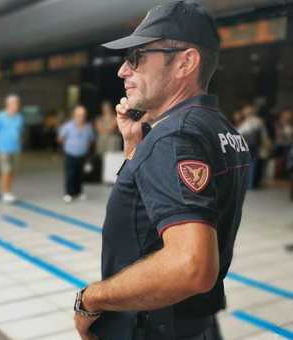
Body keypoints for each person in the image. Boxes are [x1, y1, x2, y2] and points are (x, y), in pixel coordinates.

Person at [72, 2, 250, 340]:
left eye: (137, 56)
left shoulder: (175, 137)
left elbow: (192, 266)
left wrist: (91, 299)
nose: (123, 71)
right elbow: (152, 216)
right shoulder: (218, 128)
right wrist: (134, 146)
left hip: (151, 325)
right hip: (192, 320)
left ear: (185, 62)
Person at [58, 105, 96, 203]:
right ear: (74, 115)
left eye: (82, 115)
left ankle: (78, 192)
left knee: (80, 174)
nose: (81, 117)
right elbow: (60, 139)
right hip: (70, 154)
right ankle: (68, 193)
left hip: (82, 154)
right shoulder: (68, 126)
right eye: (78, 115)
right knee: (70, 174)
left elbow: (91, 140)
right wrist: (68, 146)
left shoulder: (88, 127)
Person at [0, 94, 24, 204]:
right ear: (9, 104)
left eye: (18, 103)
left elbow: (20, 132)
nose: (17, 105)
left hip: (15, 149)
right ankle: (5, 193)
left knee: (12, 172)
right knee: (6, 171)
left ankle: (9, 191)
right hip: (3, 149)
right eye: (15, 103)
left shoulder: (19, 117)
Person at [237, 104, 271, 189]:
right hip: (248, 146)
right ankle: (250, 183)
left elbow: (240, 132)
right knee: (251, 165)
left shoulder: (254, 121)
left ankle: (250, 184)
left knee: (251, 165)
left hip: (251, 146)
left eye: (247, 111)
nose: (245, 113)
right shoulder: (247, 122)